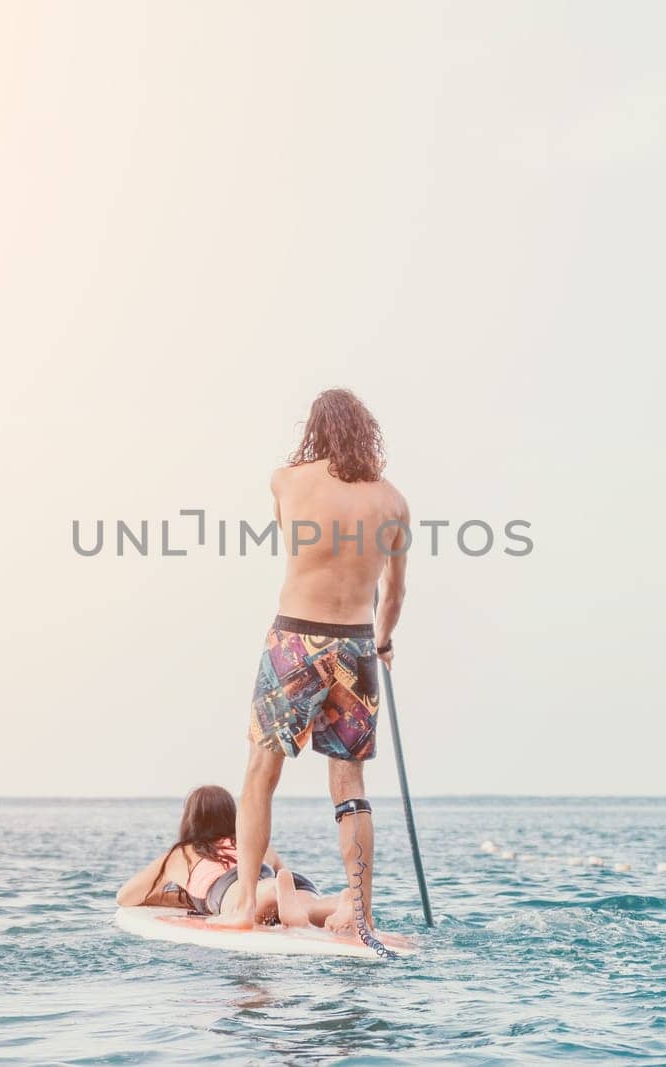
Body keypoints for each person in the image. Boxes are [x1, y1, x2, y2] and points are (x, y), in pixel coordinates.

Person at [209, 388, 409, 952]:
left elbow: (293, 542)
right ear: (367, 432)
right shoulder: (393, 502)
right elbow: (393, 594)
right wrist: (385, 642)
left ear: (314, 430)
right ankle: (360, 914)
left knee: (260, 772)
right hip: (356, 647)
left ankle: (246, 904)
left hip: (295, 640)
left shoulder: (287, 481)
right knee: (349, 785)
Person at [115, 785, 340, 928]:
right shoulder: (249, 843)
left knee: (257, 895)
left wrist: (166, 898)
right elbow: (282, 870)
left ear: (190, 820)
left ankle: (275, 891)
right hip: (279, 877)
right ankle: (340, 904)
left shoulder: (183, 852)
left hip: (232, 885)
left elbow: (126, 897)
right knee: (307, 906)